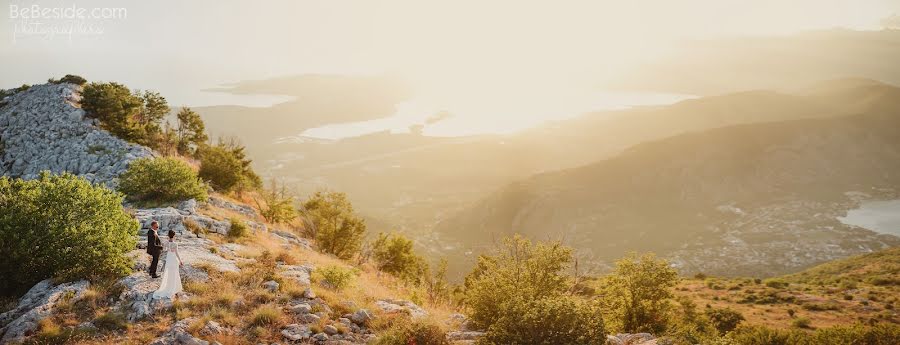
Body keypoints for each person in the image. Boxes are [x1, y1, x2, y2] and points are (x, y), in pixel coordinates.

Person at [153, 230, 184, 299]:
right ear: (174, 235)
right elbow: (177, 253)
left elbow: (164, 250)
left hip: (169, 258)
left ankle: (169, 286)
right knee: (175, 273)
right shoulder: (175, 244)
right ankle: (174, 288)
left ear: (168, 235)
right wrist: (180, 260)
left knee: (169, 273)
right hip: (174, 259)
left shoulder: (166, 243)